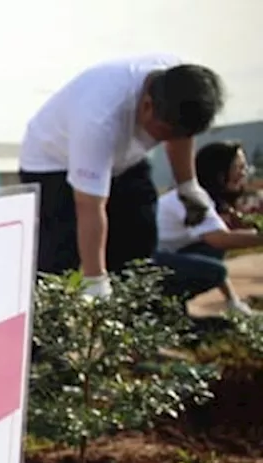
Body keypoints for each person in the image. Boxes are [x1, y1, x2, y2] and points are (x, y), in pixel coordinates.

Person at [18, 55, 226, 297]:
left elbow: (181, 135)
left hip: (124, 159)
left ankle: (132, 306)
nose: (165, 141)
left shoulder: (181, 85)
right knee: (61, 255)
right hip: (52, 163)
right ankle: (49, 319)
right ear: (147, 105)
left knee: (139, 235)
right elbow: (89, 205)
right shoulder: (98, 117)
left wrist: (188, 186)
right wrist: (95, 280)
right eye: (164, 133)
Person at [154, 140, 263, 314]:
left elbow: (218, 241)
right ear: (220, 174)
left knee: (211, 252)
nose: (244, 173)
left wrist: (232, 301)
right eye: (239, 168)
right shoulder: (193, 198)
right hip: (143, 262)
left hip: (159, 257)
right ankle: (162, 309)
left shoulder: (202, 197)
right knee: (215, 270)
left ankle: (230, 304)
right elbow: (220, 239)